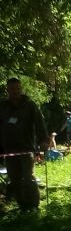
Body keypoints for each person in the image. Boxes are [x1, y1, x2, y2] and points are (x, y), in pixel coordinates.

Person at [0, 77, 49, 211]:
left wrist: (44, 141)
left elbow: (40, 124)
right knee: (14, 179)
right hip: (9, 149)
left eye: (17, 89)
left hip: (26, 148)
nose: (15, 92)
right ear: (7, 90)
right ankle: (23, 205)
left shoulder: (29, 105)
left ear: (21, 89)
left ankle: (33, 205)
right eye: (12, 89)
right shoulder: (3, 107)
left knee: (28, 178)